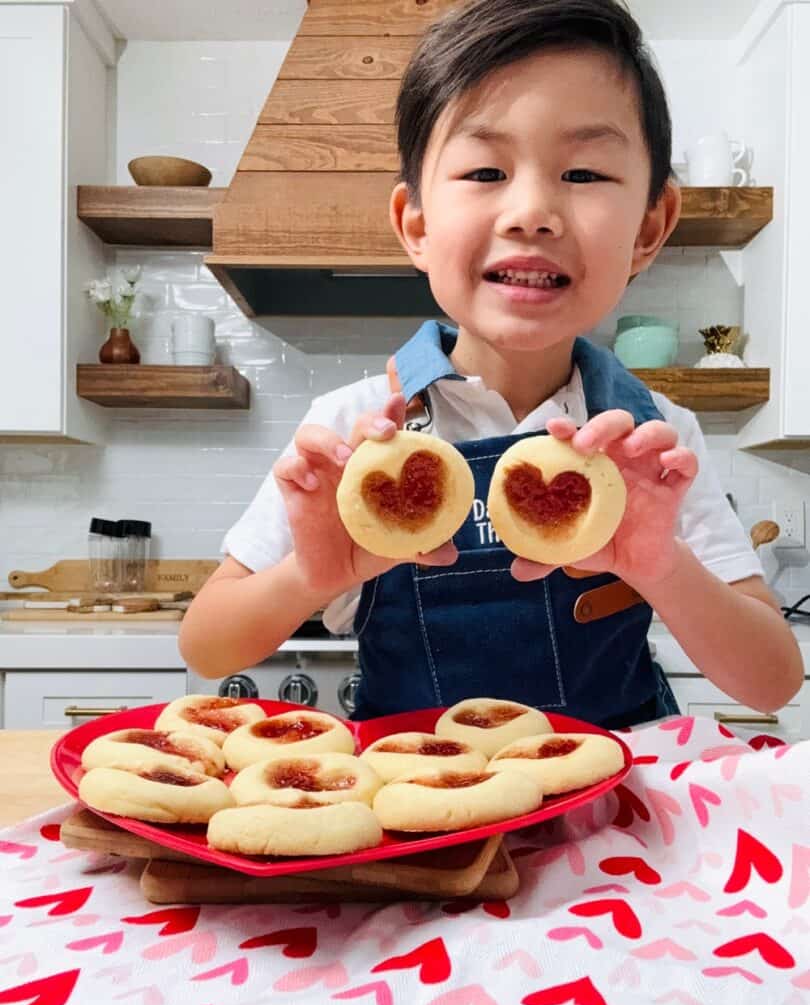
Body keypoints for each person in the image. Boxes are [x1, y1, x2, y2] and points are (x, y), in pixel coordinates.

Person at [179, 0, 802, 727]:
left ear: (650, 226)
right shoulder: (355, 430)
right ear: (416, 223)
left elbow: (771, 682)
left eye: (584, 172)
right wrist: (311, 577)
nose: (531, 210)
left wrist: (661, 568)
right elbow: (209, 645)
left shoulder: (654, 441)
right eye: (484, 170)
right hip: (419, 806)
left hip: (607, 817)